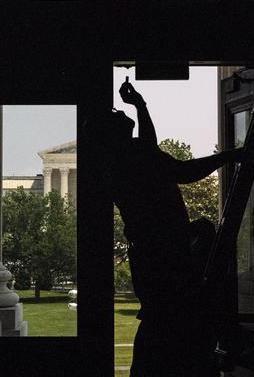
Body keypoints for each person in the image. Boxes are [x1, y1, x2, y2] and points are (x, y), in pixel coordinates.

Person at [90, 80, 244, 377]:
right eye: (113, 112)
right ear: (111, 132)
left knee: (161, 321)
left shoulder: (124, 157)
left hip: (153, 254)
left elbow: (149, 145)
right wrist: (229, 156)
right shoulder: (134, 158)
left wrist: (140, 105)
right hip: (163, 256)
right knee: (168, 322)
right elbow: (184, 171)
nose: (116, 111)